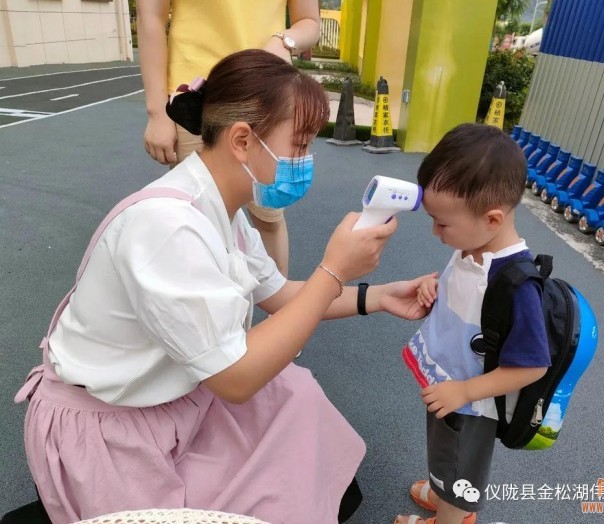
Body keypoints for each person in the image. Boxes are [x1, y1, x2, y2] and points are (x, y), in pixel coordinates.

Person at [15, 50, 432, 524]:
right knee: (273, 426)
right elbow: (235, 378)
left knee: (293, 398)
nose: (306, 161)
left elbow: (277, 295)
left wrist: (377, 296)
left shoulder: (222, 208)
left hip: (168, 402)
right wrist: (334, 270)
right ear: (241, 140)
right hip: (110, 429)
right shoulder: (169, 228)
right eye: (299, 145)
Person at [395, 124, 552, 524]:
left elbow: (533, 364)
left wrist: (464, 391)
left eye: (442, 223)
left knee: (462, 469)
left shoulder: (516, 285)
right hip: (450, 386)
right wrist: (434, 287)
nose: (435, 231)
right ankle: (445, 491)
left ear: (492, 218)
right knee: (447, 457)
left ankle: (453, 513)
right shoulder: (474, 244)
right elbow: (462, 292)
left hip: (472, 403)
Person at [137, 0, 321, 277]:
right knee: (199, 219)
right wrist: (157, 112)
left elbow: (310, 22)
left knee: (269, 216)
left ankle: (282, 311)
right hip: (199, 94)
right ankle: (206, 311)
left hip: (265, 96)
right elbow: (150, 15)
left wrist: (283, 41)